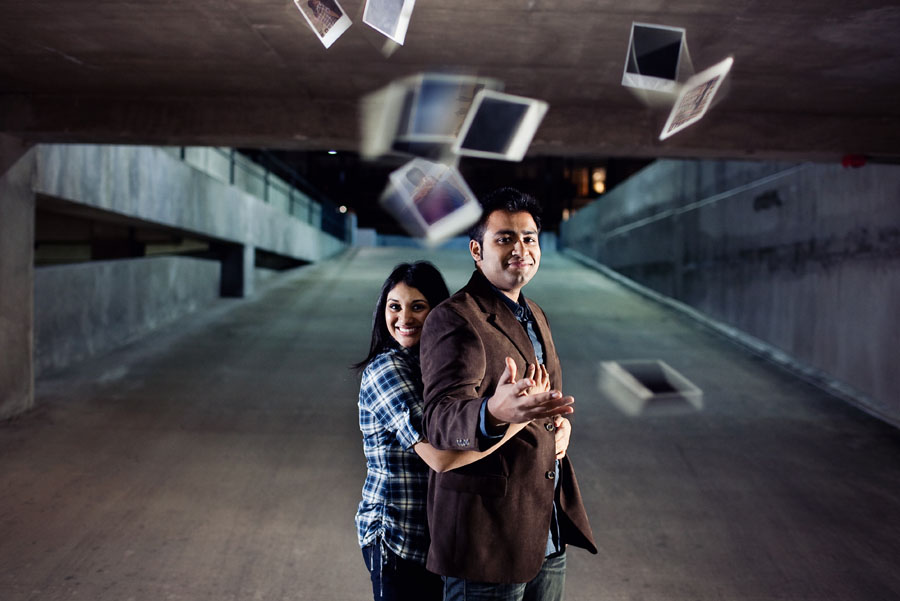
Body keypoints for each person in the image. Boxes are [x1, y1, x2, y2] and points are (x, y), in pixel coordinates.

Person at [354, 261, 571, 601]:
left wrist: (555, 427)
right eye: (394, 307)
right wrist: (522, 417)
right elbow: (441, 457)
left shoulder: (434, 364)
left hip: (441, 532)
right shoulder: (388, 369)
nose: (404, 318)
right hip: (400, 536)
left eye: (418, 307)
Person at [420, 188, 598, 600]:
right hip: (486, 541)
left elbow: (542, 399)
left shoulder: (535, 313)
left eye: (529, 238)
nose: (520, 248)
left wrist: (560, 425)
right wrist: (492, 413)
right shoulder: (455, 318)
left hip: (544, 528)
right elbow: (441, 418)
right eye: (504, 238)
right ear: (476, 251)